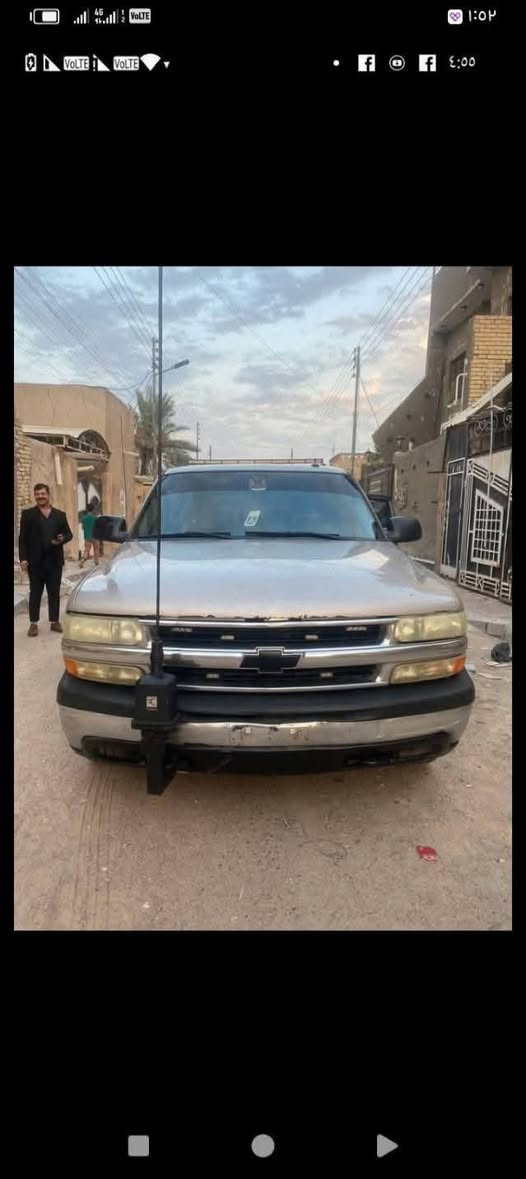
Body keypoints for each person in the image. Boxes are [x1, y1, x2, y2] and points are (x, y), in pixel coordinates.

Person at [18, 483, 73, 638]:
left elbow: (69, 534)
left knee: (54, 593)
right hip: (35, 562)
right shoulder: (28, 515)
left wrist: (62, 539)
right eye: (37, 494)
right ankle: (33, 623)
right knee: (35, 593)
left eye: (42, 494)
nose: (40, 496)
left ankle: (54, 621)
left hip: (54, 562)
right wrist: (23, 559)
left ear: (48, 495)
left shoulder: (60, 515)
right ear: (35, 496)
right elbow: (22, 539)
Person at [79, 502, 100, 568]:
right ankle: (96, 562)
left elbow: (82, 528)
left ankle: (82, 561)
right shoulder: (96, 518)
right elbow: (98, 527)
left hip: (87, 537)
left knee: (86, 550)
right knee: (96, 549)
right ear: (93, 509)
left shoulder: (84, 518)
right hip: (95, 536)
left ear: (87, 510)